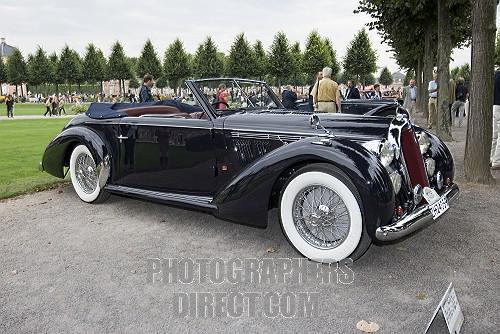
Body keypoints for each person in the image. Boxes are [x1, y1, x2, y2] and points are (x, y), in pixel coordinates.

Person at [491, 70, 500, 170]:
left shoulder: (496, 75)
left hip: (494, 106)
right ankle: (497, 161)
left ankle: (491, 157)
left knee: (495, 135)